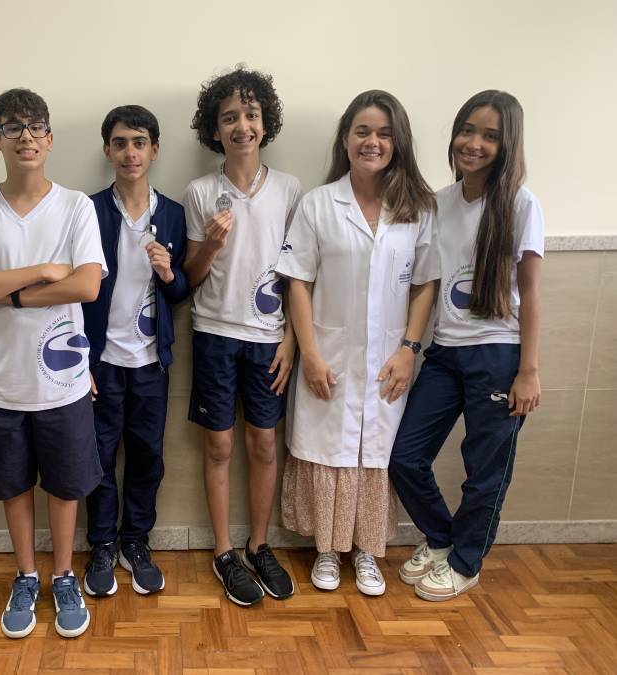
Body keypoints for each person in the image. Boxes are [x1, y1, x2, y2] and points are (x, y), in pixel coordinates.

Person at [0, 88, 106, 638]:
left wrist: (5, 293)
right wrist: (40, 271)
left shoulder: (76, 206)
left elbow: (85, 285)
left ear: (51, 138)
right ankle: (26, 575)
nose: (26, 137)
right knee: (13, 486)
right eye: (13, 128)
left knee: (64, 486)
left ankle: (63, 576)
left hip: (63, 379)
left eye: (36, 126)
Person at [277, 90, 437, 596]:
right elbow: (297, 282)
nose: (373, 142)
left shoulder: (417, 208)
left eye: (384, 134)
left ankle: (367, 551)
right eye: (362, 131)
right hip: (330, 355)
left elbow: (426, 283)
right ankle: (327, 549)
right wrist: (310, 354)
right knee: (329, 449)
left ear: (398, 142)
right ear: (345, 139)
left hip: (389, 358)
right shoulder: (318, 204)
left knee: (376, 451)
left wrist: (409, 350)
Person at [389, 90, 543, 602]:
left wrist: (528, 370)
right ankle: (441, 538)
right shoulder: (439, 202)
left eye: (490, 136)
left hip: (498, 354)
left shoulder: (521, 204)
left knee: (484, 471)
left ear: (507, 144)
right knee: (405, 456)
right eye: (467, 131)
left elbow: (532, 292)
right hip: (445, 351)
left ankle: (465, 562)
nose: (474, 143)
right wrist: (411, 345)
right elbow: (428, 282)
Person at [183, 66, 300, 606]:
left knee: (264, 443)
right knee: (220, 445)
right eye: (229, 117)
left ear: (265, 123)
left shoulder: (290, 190)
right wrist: (210, 244)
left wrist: (292, 339)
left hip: (269, 338)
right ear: (215, 129)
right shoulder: (200, 192)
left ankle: (259, 544)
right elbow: (190, 277)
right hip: (213, 334)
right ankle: (224, 552)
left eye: (251, 115)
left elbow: (299, 275)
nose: (242, 126)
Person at [81, 105, 189, 597]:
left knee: (148, 456)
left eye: (140, 142)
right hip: (101, 362)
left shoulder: (172, 214)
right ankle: (102, 543)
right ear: (108, 150)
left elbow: (181, 290)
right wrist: (80, 359)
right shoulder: (87, 210)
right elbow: (75, 292)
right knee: (99, 457)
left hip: (151, 361)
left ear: (155, 150)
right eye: (121, 143)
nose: (130, 152)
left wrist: (168, 273)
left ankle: (136, 541)